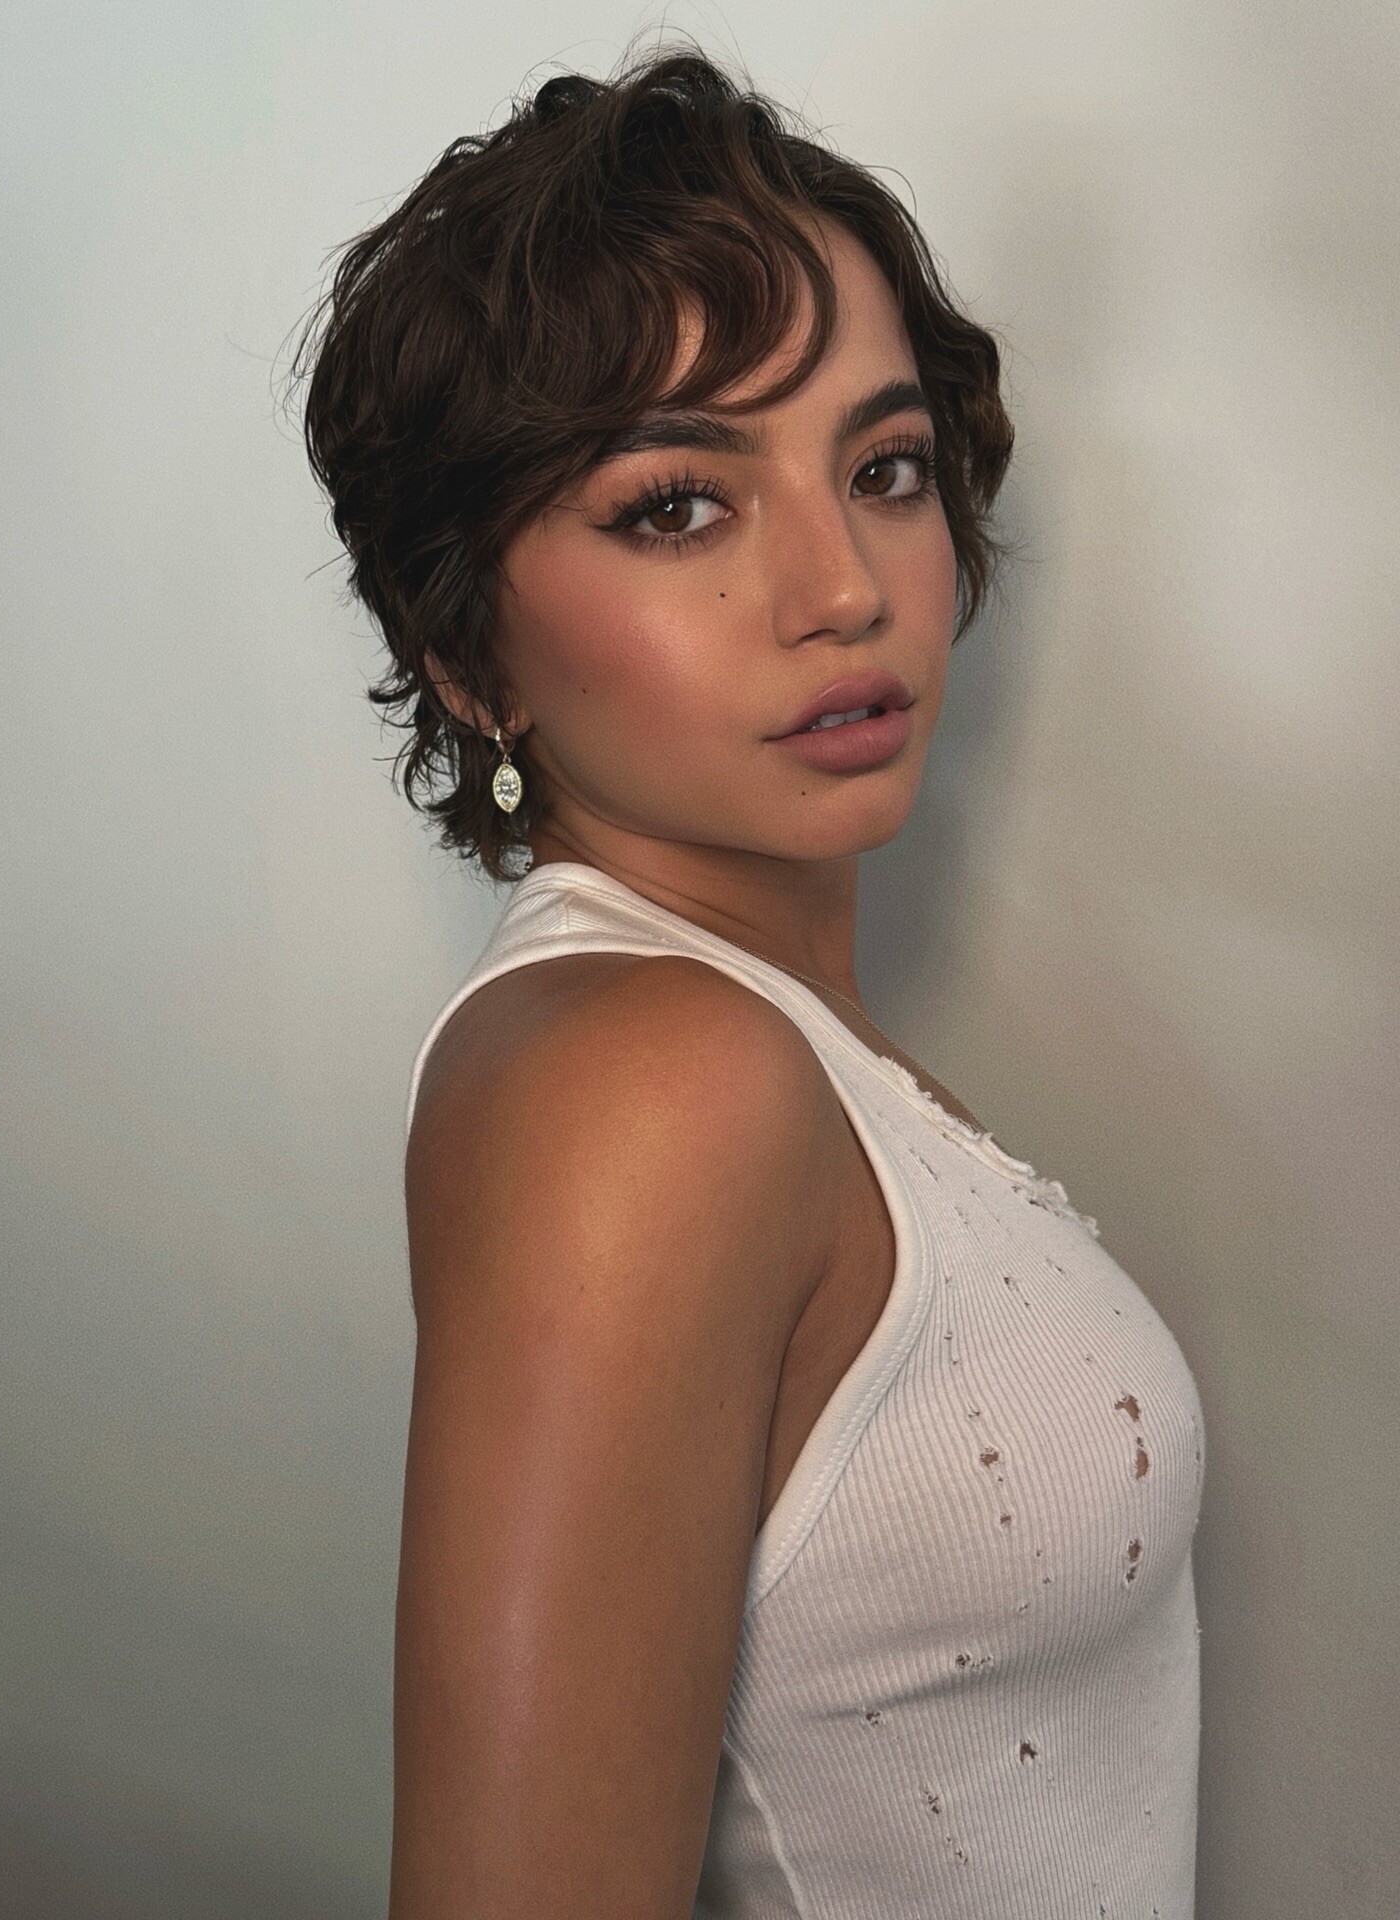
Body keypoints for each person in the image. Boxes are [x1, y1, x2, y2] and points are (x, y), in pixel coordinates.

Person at [293, 40, 1205, 1919]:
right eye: (677, 507)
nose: (846, 585)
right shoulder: (645, 1085)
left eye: (884, 468)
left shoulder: (761, 1038)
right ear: (467, 653)